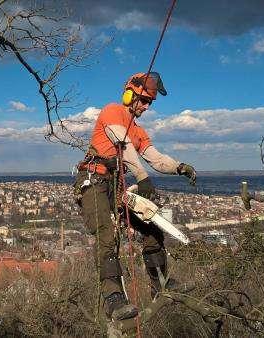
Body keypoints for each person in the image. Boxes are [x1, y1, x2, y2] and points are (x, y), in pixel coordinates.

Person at [74, 72, 196, 321]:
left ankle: (160, 283)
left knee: (151, 226)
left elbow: (156, 158)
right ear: (129, 93)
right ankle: (113, 299)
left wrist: (179, 167)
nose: (146, 105)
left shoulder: (138, 131)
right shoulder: (112, 112)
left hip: (116, 187)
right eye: (142, 99)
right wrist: (141, 176)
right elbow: (123, 145)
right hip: (94, 182)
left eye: (149, 102)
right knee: (107, 236)